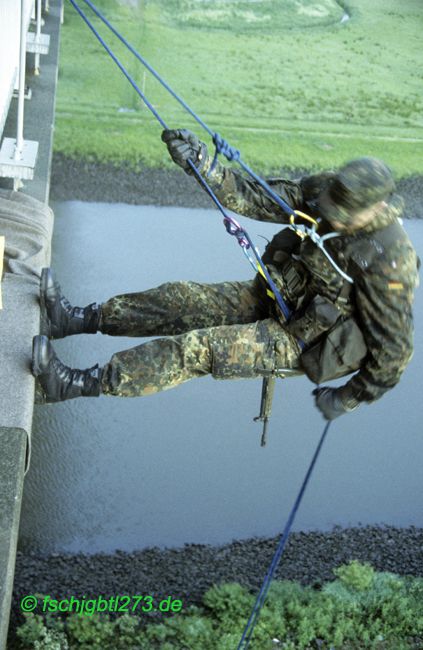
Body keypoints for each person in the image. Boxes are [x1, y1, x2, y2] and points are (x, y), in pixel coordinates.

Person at [32, 129, 419, 420]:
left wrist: (347, 398)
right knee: (181, 299)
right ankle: (76, 319)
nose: (330, 213)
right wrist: (204, 166)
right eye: (330, 205)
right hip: (276, 295)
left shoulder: (391, 261)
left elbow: (395, 354)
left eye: (341, 213)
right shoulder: (326, 189)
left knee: (195, 349)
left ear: (375, 208)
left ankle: (74, 384)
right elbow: (262, 197)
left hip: (301, 339)